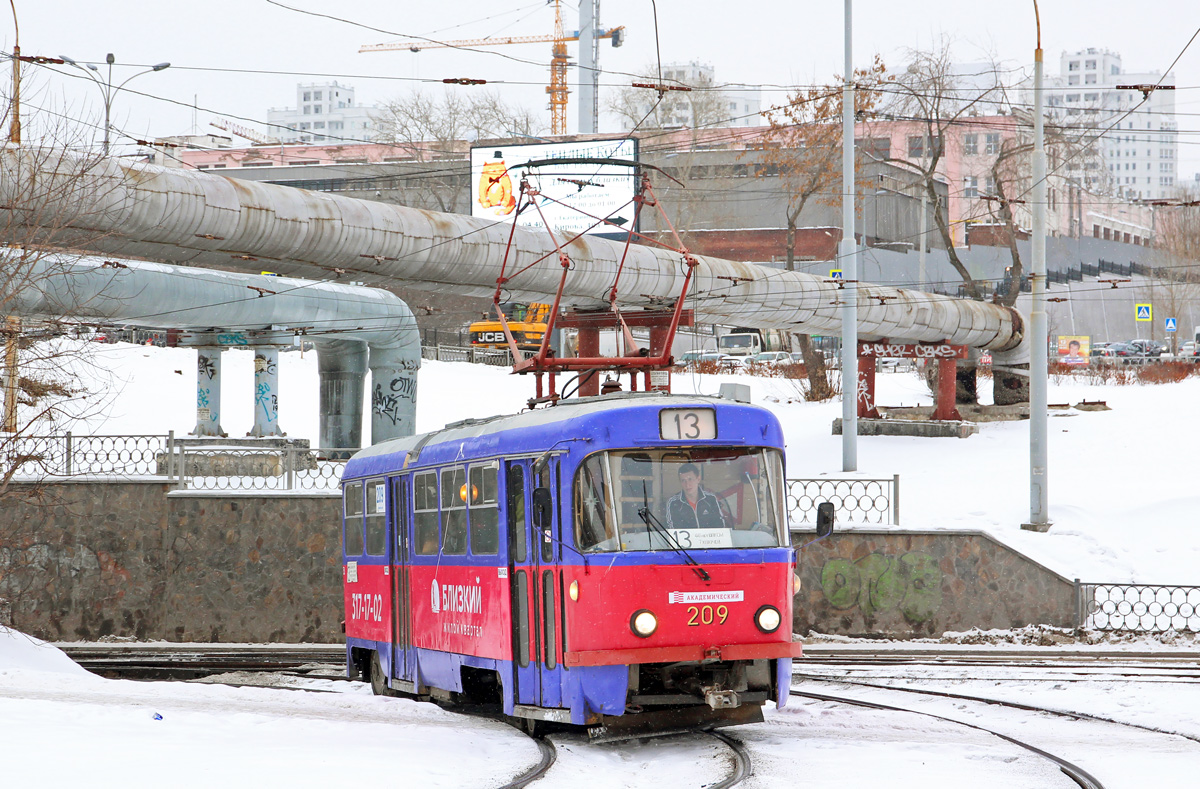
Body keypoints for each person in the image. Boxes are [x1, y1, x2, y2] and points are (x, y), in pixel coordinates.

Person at [666, 463, 731, 530]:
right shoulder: (674, 503)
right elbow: (674, 530)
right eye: (683, 480)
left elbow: (719, 526)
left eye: (690, 479)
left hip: (709, 539)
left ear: (698, 479)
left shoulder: (711, 499)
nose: (687, 484)